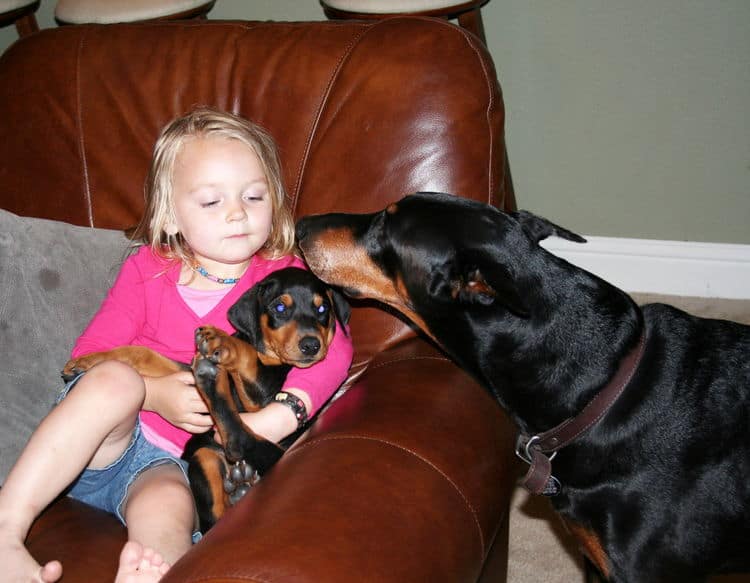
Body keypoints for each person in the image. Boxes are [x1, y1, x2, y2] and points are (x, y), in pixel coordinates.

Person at [0, 107, 354, 583]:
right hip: (103, 441)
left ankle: (152, 573)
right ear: (170, 214)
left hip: (166, 462)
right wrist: (155, 392)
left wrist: (270, 420)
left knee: (169, 502)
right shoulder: (149, 268)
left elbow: (337, 349)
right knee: (115, 381)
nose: (237, 212)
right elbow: (86, 358)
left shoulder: (279, 277)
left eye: (254, 195)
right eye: (211, 201)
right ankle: (5, 529)